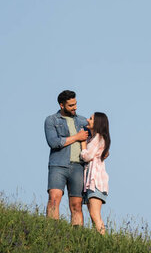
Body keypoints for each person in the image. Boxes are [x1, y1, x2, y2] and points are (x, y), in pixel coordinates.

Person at [44, 90, 89, 225]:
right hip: (58, 165)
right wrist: (77, 137)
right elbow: (53, 142)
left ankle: (76, 237)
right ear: (61, 105)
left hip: (78, 167)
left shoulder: (82, 121)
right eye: (71, 105)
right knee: (54, 199)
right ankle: (52, 232)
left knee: (76, 204)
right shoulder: (51, 120)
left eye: (75, 104)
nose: (75, 107)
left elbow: (96, 137)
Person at [80, 112, 111, 234]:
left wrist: (83, 144)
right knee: (93, 214)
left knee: (94, 214)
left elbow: (87, 156)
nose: (88, 120)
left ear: (97, 123)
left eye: (91, 119)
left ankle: (104, 241)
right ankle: (99, 240)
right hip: (92, 181)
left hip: (96, 182)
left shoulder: (98, 138)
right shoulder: (95, 138)